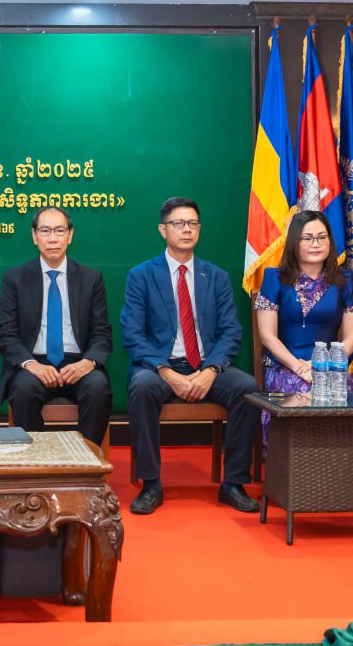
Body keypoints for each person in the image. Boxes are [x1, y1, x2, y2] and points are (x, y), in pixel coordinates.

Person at [121, 197, 259, 516]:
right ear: (163, 230)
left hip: (206, 365)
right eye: (179, 224)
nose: (187, 230)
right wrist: (167, 373)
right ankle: (151, 484)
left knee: (247, 388)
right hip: (160, 367)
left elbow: (231, 331)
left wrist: (211, 370)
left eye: (193, 223)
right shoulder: (141, 276)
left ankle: (233, 484)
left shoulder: (216, 276)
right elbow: (132, 334)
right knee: (141, 387)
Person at [0, 206, 111, 444]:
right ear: (34, 236)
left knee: (98, 388)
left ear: (70, 235)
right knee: (23, 390)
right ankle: (39, 459)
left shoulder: (91, 278)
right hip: (35, 363)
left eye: (59, 230)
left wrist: (87, 363)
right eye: (45, 231)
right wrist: (31, 365)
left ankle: (87, 459)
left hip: (77, 362)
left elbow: (102, 332)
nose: (53, 238)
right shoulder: (15, 278)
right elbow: (5, 333)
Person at [254, 211, 353, 441]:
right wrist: (299, 367)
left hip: (331, 367)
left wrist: (323, 365)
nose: (316, 244)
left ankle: (335, 461)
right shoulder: (275, 277)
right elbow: (267, 336)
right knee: (300, 394)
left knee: (337, 394)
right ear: (294, 242)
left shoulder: (344, 279)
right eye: (307, 238)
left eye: (322, 237)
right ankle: (294, 461)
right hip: (285, 365)